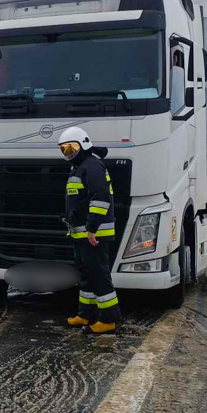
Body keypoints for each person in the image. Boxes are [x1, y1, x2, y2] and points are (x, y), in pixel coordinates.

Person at [59, 126, 121, 334]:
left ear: (83, 145)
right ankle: (86, 314)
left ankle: (109, 320)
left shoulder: (92, 166)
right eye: (64, 150)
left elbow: (100, 199)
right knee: (86, 275)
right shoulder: (80, 166)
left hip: (94, 234)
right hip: (81, 234)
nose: (68, 153)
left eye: (71, 148)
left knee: (99, 275)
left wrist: (92, 228)